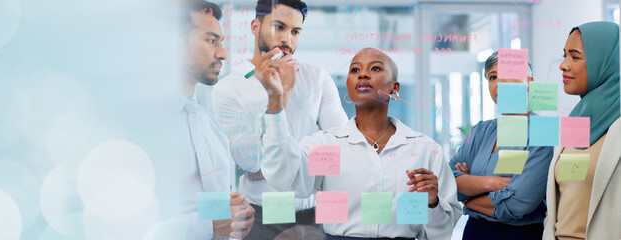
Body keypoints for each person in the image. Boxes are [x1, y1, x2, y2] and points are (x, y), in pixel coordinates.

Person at [255, 47, 461, 239]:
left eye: (375, 68)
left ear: (394, 87)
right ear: (348, 85)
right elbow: (286, 177)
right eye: (355, 70)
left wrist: (433, 204)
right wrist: (275, 101)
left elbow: (441, 234)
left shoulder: (423, 150)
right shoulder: (328, 147)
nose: (362, 74)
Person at [211, 0, 348, 238]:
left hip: (318, 213)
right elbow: (251, 163)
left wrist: (280, 165)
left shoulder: (317, 78)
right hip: (263, 216)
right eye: (279, 27)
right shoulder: (228, 89)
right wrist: (277, 98)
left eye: (295, 31)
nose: (287, 39)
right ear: (255, 26)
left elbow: (342, 149)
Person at [448, 52, 553, 240]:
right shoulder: (481, 131)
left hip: (519, 235)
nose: (499, 83)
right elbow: (447, 181)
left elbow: (519, 203)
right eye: (493, 77)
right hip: (474, 232)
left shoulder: (543, 132)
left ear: (529, 82)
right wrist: (492, 183)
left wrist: (468, 195)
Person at [173, 1, 255, 238]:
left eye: (221, 42)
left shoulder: (209, 125)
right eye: (211, 40)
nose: (223, 53)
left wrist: (236, 212)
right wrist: (210, 225)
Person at [543, 21, 621, 240]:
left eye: (575, 57)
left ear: (604, 63)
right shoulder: (575, 121)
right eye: (564, 55)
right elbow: (561, 200)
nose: (563, 65)